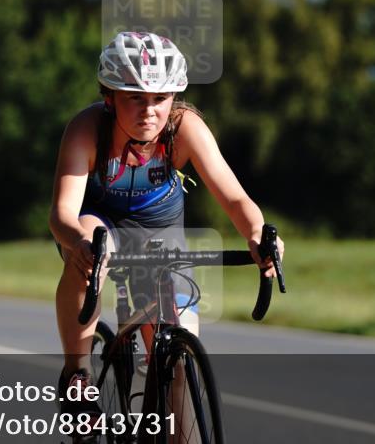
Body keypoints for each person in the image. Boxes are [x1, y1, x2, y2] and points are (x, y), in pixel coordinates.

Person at [49, 31, 284, 394]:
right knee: (92, 249)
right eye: (135, 98)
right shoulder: (87, 129)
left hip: (159, 228)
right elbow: (62, 213)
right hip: (99, 221)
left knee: (178, 361)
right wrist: (80, 244)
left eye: (161, 98)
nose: (150, 110)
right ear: (109, 98)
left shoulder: (184, 127)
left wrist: (256, 233)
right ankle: (78, 374)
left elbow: (235, 198)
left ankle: (169, 435)